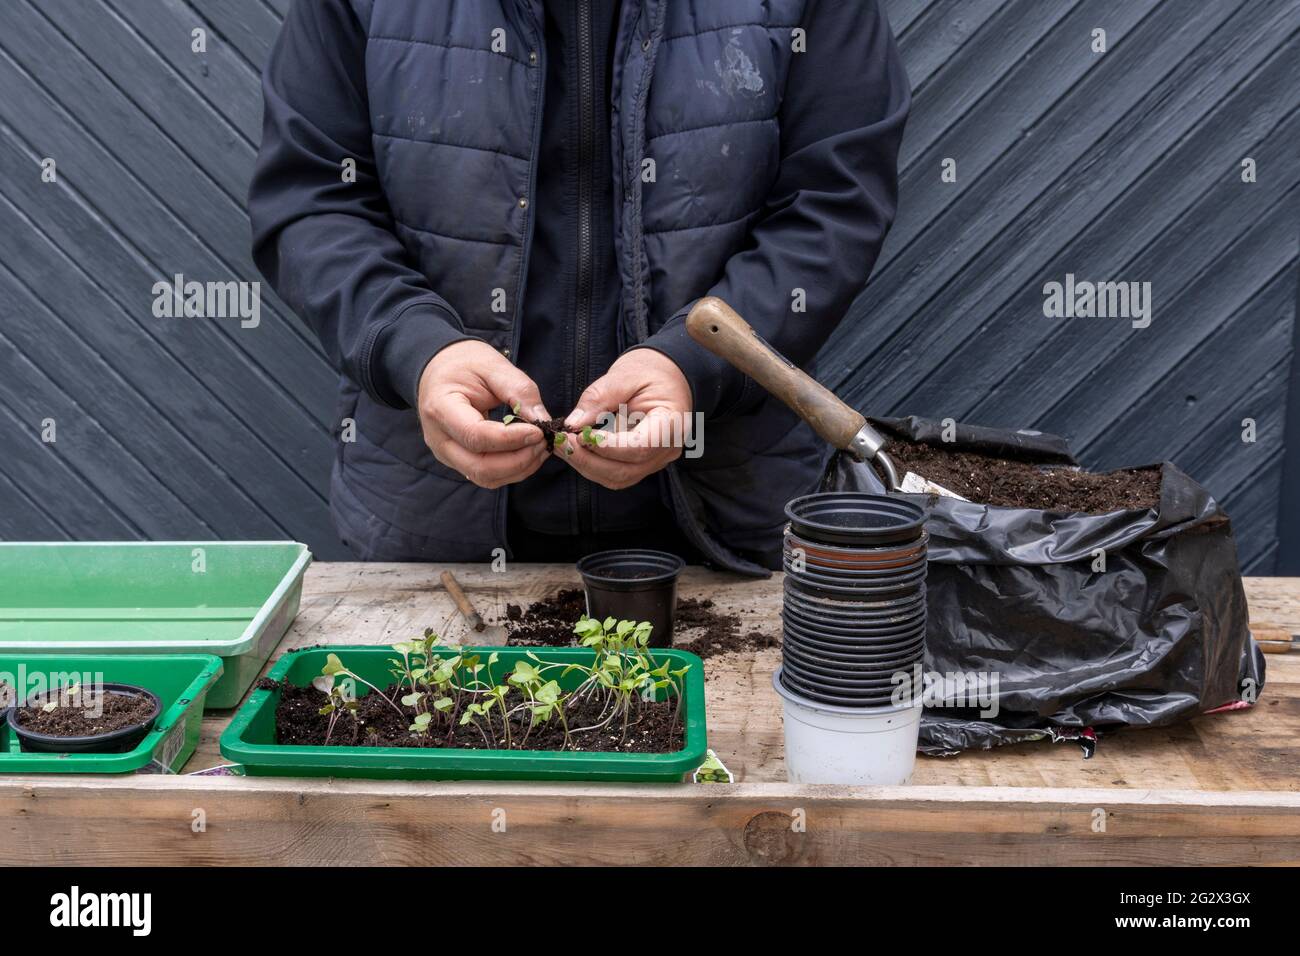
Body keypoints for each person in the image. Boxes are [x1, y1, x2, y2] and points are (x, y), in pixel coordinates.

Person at [250, 0, 908, 574]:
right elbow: (315, 201)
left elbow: (832, 203)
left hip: (725, 531)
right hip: (439, 538)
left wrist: (694, 363)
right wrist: (418, 352)